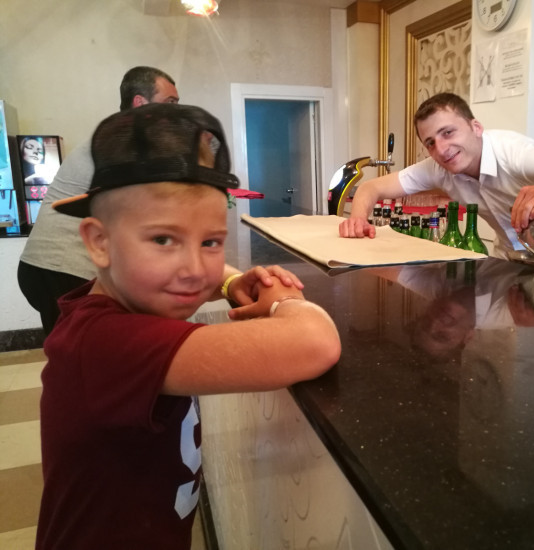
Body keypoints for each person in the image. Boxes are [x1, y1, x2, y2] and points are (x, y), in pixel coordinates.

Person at [35, 103, 342, 550]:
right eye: (164, 239)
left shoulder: (119, 311)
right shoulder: (107, 344)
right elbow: (315, 343)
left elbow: (202, 275)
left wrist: (233, 282)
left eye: (211, 241)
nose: (195, 269)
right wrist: (285, 300)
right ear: (99, 242)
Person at [17, 66, 180, 335]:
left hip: (47, 266)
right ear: (140, 103)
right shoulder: (121, 138)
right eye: (170, 102)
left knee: (79, 352)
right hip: (61, 268)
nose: (177, 111)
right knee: (83, 352)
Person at [338, 93, 534, 260]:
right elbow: (371, 188)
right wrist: (358, 220)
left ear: (476, 127)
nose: (442, 149)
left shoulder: (513, 151)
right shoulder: (437, 167)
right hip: (508, 259)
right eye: (430, 143)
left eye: (448, 132)